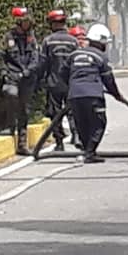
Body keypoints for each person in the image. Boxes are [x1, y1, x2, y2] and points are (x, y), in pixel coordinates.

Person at [62, 23, 124, 164]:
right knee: (99, 124)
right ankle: (89, 153)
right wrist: (117, 95)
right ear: (101, 43)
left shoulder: (74, 55)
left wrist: (73, 87)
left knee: (82, 124)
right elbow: (108, 79)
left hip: (74, 96)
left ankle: (88, 151)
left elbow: (63, 74)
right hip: (93, 95)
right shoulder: (100, 57)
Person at [0, 7, 41, 155]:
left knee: (24, 109)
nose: (27, 24)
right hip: (12, 76)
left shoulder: (31, 37)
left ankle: (22, 143)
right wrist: (5, 73)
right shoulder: (8, 38)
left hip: (27, 77)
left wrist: (27, 72)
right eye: (24, 21)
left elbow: (36, 58)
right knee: (10, 93)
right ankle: (10, 127)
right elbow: (1, 57)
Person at [40, 9, 79, 152]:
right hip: (70, 82)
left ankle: (59, 142)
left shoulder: (48, 41)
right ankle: (76, 135)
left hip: (54, 83)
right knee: (72, 110)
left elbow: (42, 63)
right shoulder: (74, 41)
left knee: (55, 113)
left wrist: (40, 80)